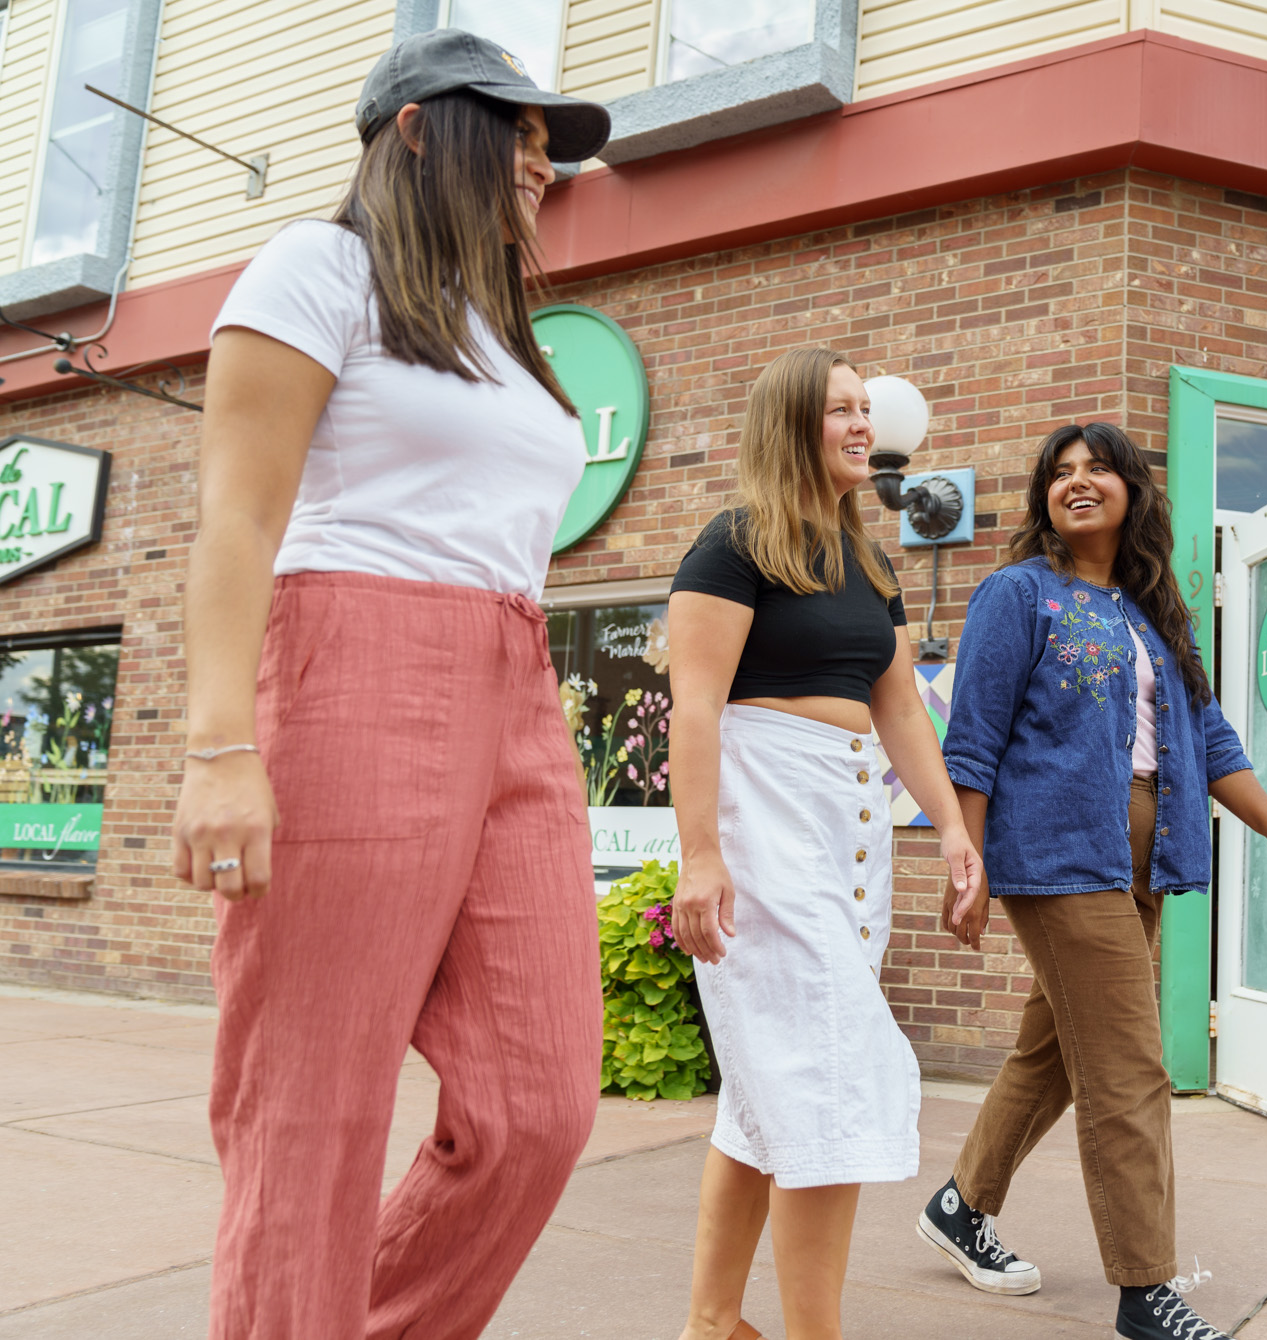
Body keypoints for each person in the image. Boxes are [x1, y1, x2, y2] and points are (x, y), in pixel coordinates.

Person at [170, 30, 613, 1339]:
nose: (542, 158)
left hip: (515, 686)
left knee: (539, 1106)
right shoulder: (318, 270)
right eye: (517, 129)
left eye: (552, 141)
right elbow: (236, 522)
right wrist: (217, 748)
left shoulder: (498, 332)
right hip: (352, 662)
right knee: (311, 1113)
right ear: (418, 129)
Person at [917, 422, 1267, 1340]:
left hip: (1144, 858)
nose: (1078, 481)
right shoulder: (1018, 595)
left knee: (1056, 1053)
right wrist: (967, 859)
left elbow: (1211, 739)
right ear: (1044, 499)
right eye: (1060, 473)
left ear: (1133, 491)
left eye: (1098, 467)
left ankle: (959, 1205)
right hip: (1059, 860)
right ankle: (1145, 1293)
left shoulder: (1154, 611)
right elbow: (973, 739)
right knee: (1130, 1068)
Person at [666, 347, 983, 1340]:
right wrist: (700, 853)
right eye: (839, 408)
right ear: (791, 424)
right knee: (836, 1080)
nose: (861, 423)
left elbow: (898, 708)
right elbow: (694, 707)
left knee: (769, 1092)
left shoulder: (869, 559)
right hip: (763, 828)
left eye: (864, 409)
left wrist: (954, 827)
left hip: (847, 835)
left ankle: (712, 1322)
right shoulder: (733, 545)